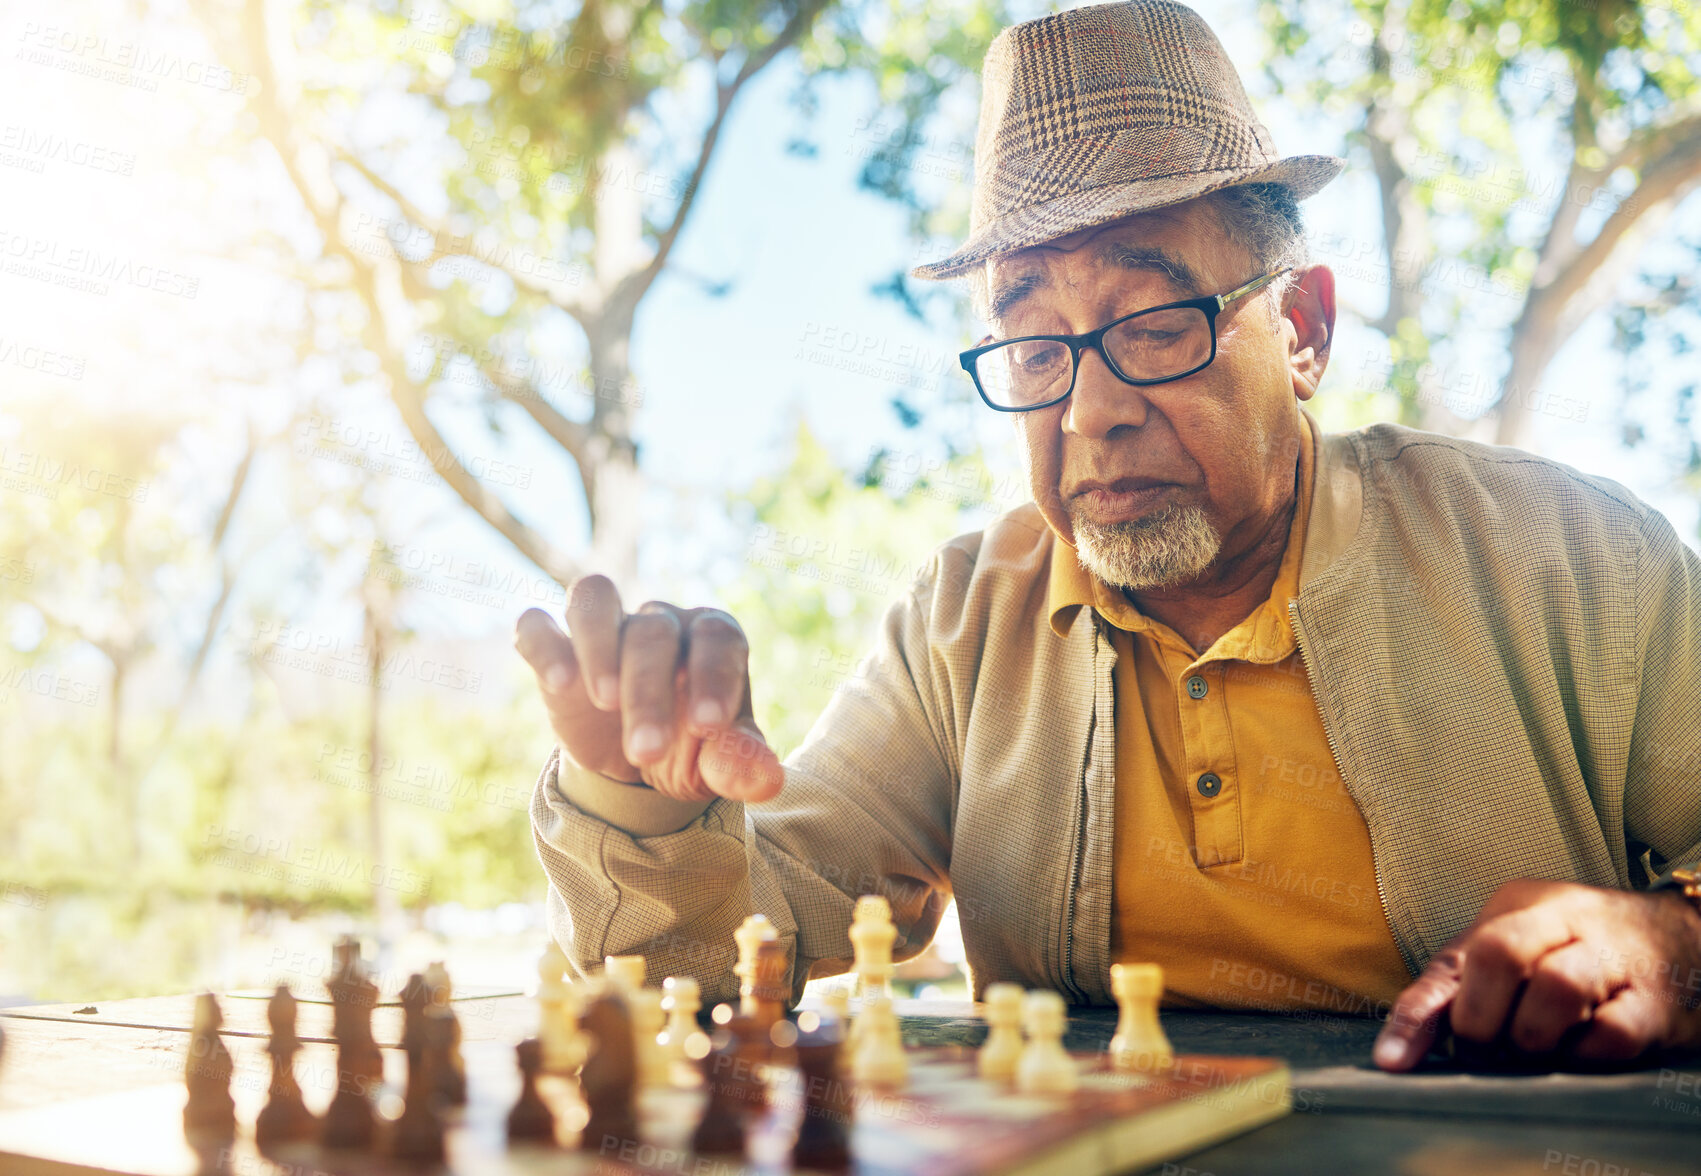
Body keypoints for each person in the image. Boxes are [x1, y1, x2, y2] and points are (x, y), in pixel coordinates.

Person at [514, 0, 1701, 1073]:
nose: (1089, 411)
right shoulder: (964, 621)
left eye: (1155, 322)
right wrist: (644, 802)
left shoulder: (1570, 564)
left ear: (1302, 328)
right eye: (1035, 349)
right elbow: (732, 948)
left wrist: (1674, 946)